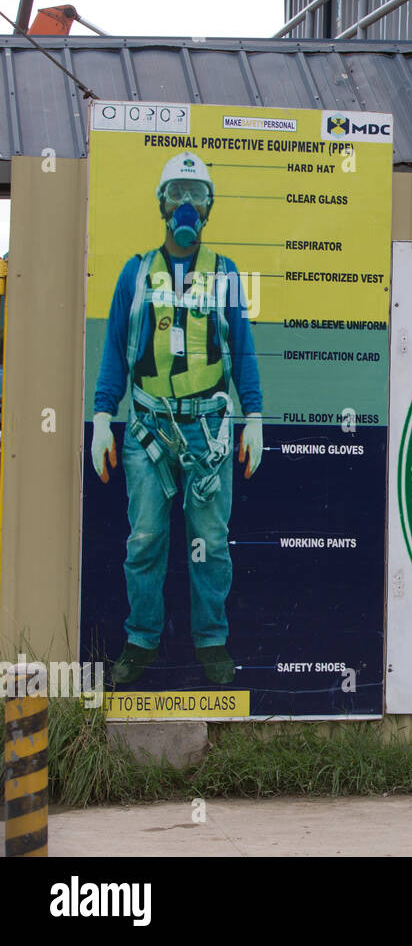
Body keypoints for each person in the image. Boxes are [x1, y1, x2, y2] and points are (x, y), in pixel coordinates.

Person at [90, 152, 264, 686]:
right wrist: (101, 416)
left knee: (209, 541)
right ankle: (141, 639)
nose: (185, 205)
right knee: (144, 538)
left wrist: (253, 415)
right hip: (147, 427)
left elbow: (243, 348)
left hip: (208, 429)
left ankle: (210, 640)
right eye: (176, 194)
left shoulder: (226, 274)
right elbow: (115, 349)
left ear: (209, 207)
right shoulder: (135, 273)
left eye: (196, 195)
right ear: (161, 204)